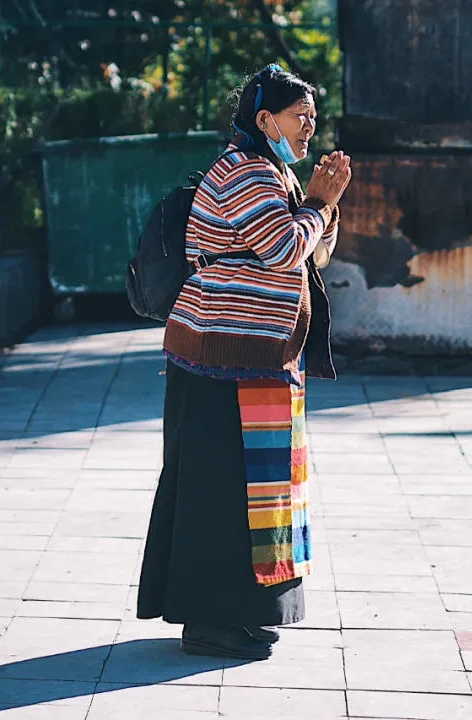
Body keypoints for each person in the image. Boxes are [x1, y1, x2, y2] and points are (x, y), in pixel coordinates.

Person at [136, 64, 352, 661]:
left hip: (258, 361)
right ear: (265, 120)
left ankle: (246, 614)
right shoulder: (246, 173)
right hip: (219, 364)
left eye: (312, 119)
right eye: (299, 119)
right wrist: (321, 201)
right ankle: (211, 623)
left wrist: (317, 205)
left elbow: (316, 253)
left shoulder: (275, 170)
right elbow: (286, 249)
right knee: (221, 495)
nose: (309, 130)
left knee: (262, 495)